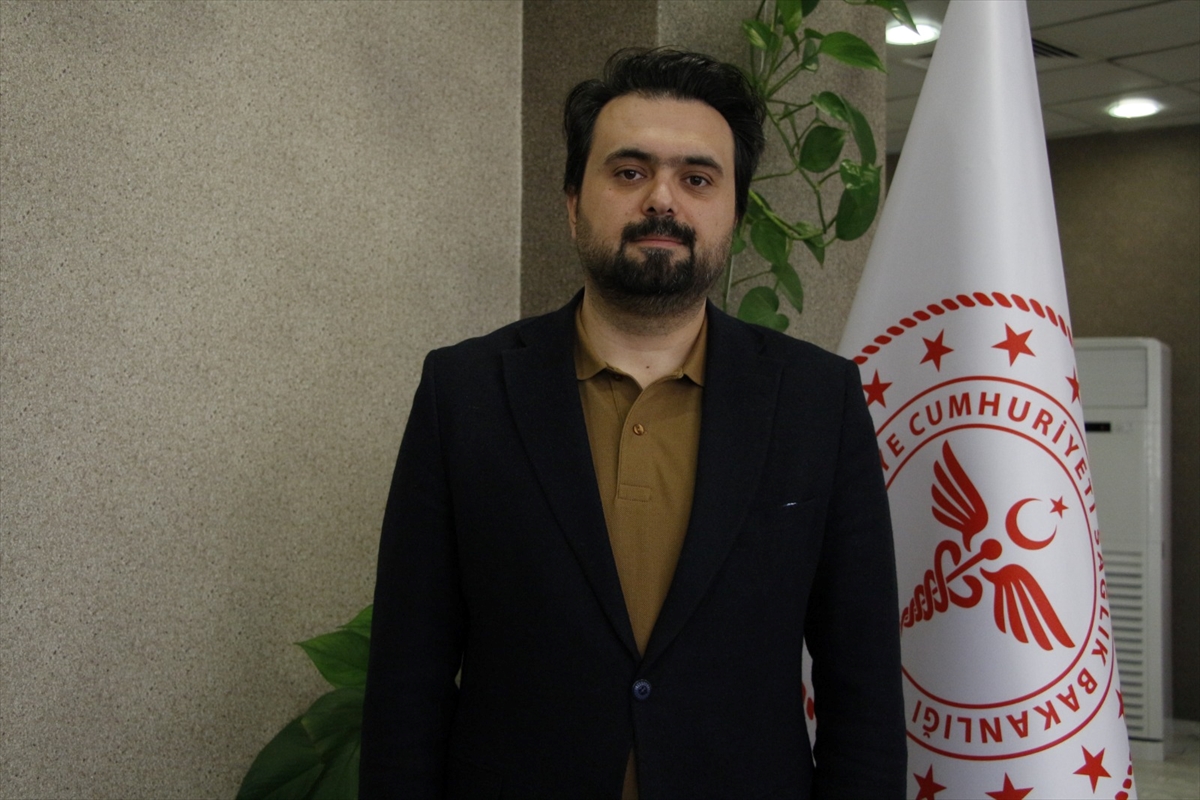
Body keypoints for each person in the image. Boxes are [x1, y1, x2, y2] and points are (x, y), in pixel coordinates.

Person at [360, 48, 905, 799]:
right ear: (572, 204)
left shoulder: (818, 401)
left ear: (736, 214)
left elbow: (863, 685)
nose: (662, 201)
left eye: (698, 178)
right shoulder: (465, 392)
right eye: (628, 172)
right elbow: (407, 677)